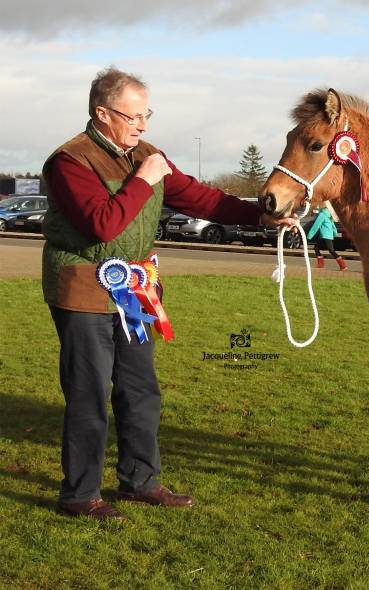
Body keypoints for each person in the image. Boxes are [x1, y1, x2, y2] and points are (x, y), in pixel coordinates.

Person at [41, 66, 297, 521]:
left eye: (147, 116)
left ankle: (140, 481)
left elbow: (200, 198)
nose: (143, 126)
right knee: (88, 393)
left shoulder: (148, 154)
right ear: (102, 113)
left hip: (134, 290)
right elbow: (102, 224)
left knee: (141, 389)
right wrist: (144, 180)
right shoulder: (69, 162)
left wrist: (259, 217)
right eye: (134, 116)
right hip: (81, 289)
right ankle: (80, 495)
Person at [307, 202, 347, 270]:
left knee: (331, 250)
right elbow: (333, 225)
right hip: (327, 235)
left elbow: (316, 225)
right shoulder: (329, 214)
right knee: (316, 248)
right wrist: (335, 233)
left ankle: (342, 265)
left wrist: (309, 235)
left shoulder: (322, 214)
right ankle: (320, 265)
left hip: (325, 236)